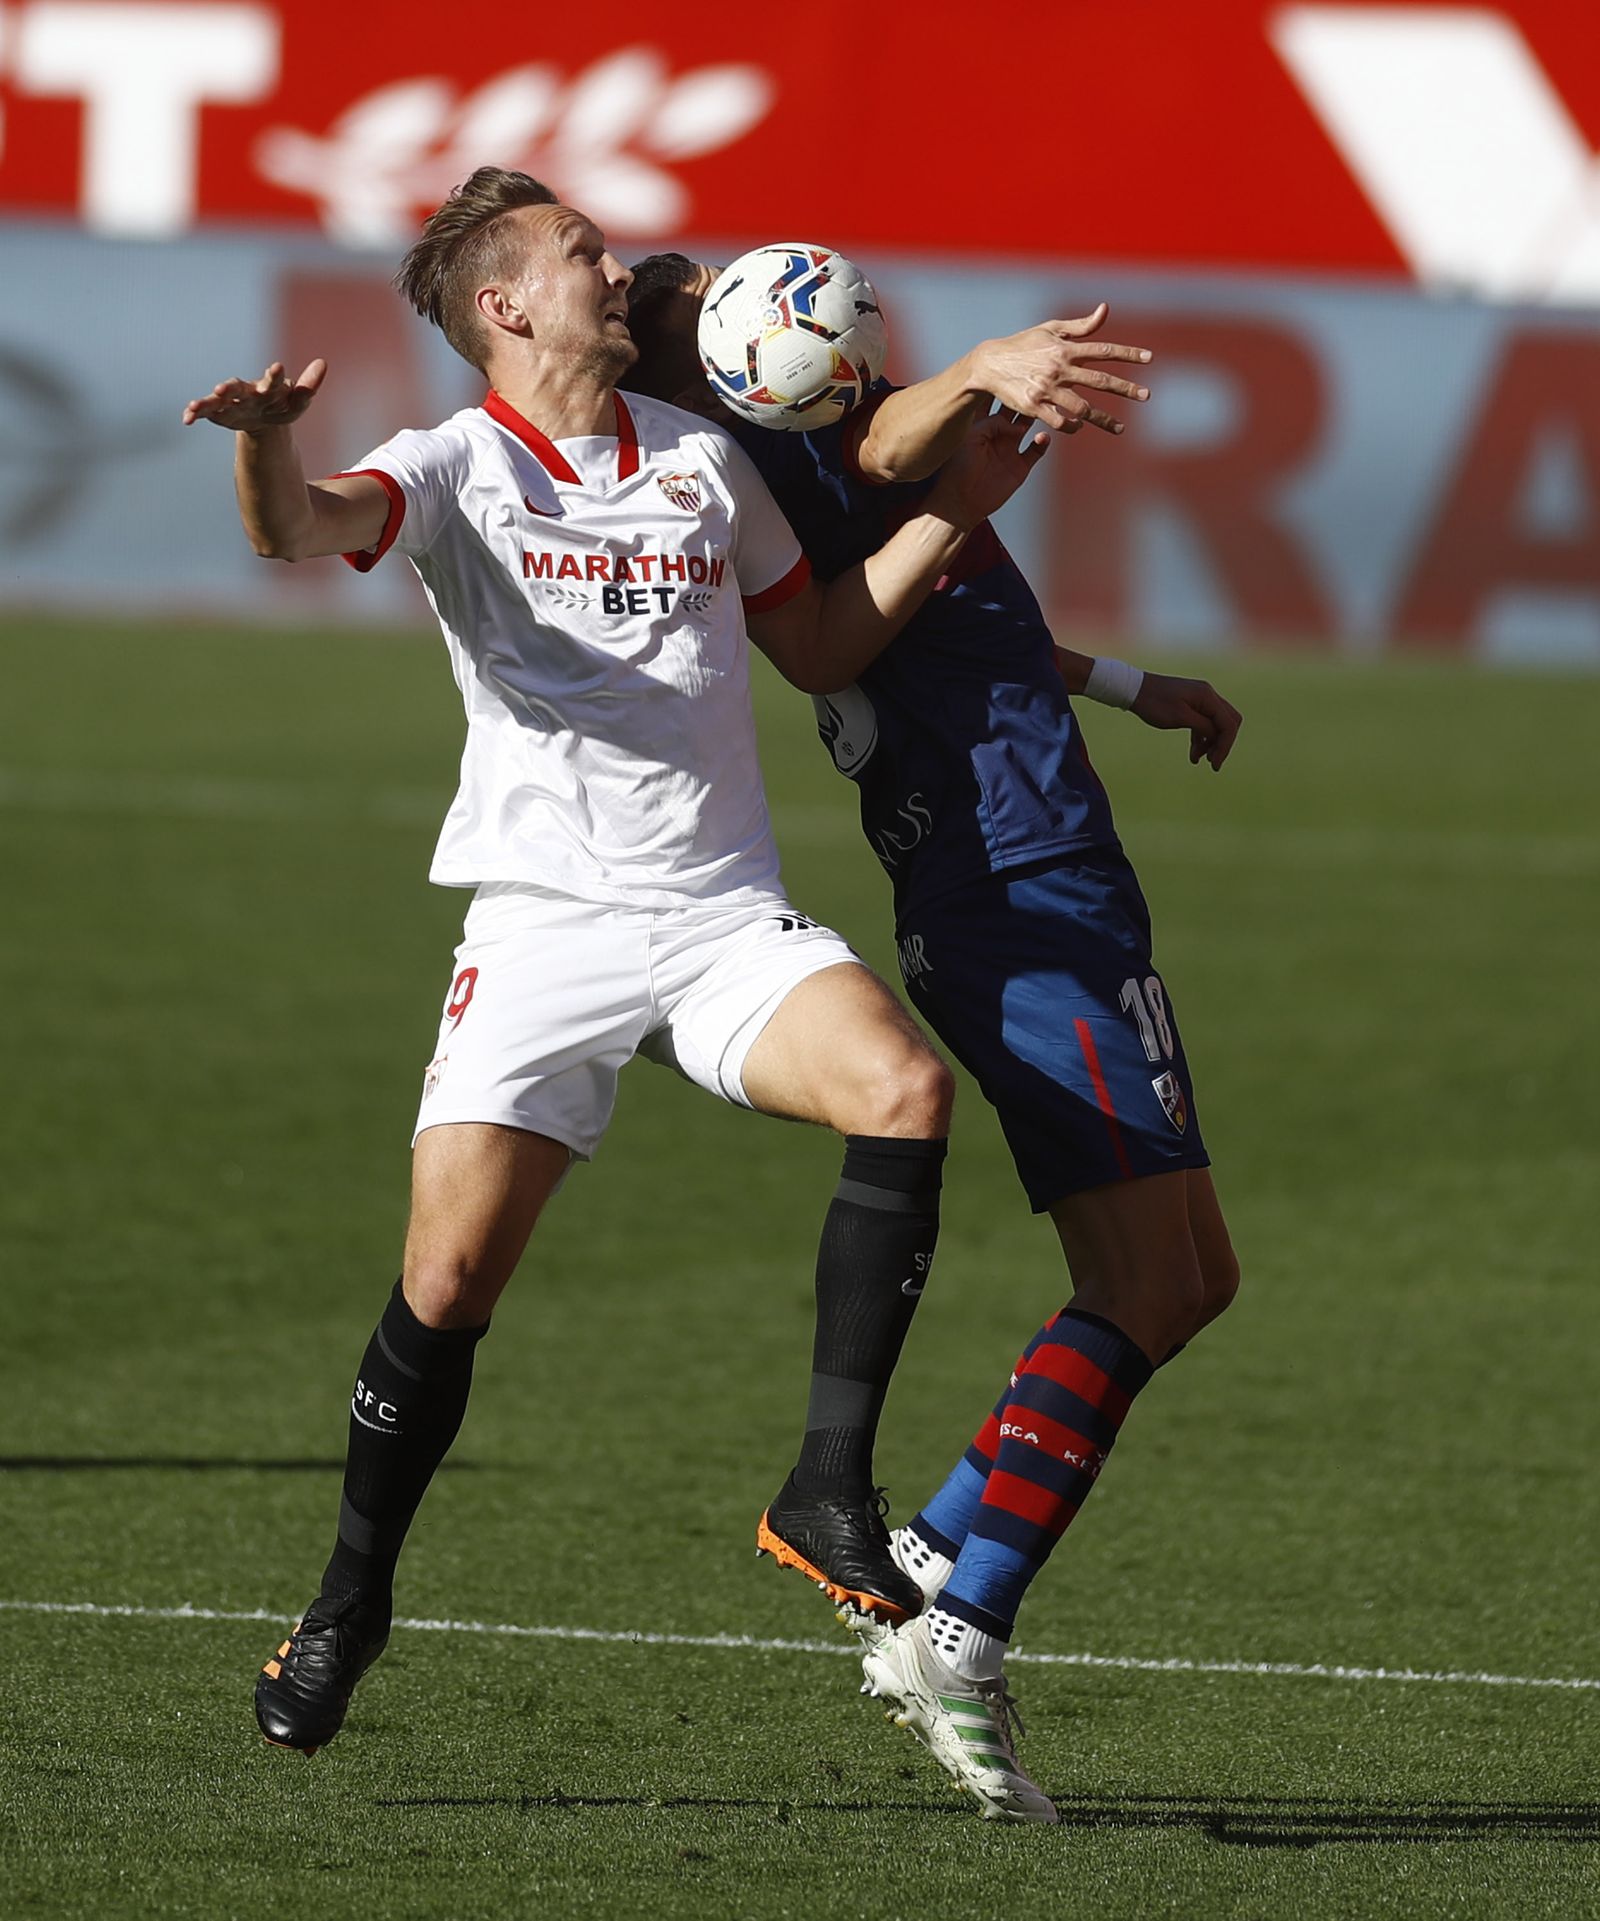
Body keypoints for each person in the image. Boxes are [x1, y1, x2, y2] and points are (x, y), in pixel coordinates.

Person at [180, 170, 1051, 1758]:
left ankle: (826, 1485)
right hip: (543, 925)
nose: (616, 265)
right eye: (579, 252)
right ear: (506, 307)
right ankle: (350, 1599)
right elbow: (300, 528)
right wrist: (263, 436)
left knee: (905, 1090)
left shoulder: (707, 460)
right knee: (446, 1286)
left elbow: (818, 647)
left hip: (719, 913)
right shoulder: (451, 462)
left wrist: (952, 512)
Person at [625, 255, 1244, 1822]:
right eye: (677, 285)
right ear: (733, 362)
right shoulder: (799, 457)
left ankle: (925, 1550)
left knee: (1197, 1273)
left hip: (1055, 876)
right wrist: (978, 364)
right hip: (1009, 894)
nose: (690, 269)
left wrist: (1128, 681)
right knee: (1145, 1281)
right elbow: (903, 446)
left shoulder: (846, 465)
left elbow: (959, 619)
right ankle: (959, 1632)